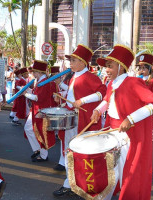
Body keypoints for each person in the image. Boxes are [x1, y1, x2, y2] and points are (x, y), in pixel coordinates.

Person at [90, 44, 153, 200]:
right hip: (112, 132)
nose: (106, 69)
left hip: (128, 137)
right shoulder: (111, 83)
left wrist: (130, 119)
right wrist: (97, 110)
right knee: (110, 170)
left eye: (110, 66)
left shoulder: (133, 82)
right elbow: (107, 100)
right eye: (106, 66)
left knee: (124, 172)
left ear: (121, 67)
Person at [53, 44, 106, 198]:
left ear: (83, 62)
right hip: (71, 118)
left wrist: (82, 101)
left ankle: (80, 186)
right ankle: (69, 184)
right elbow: (71, 97)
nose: (71, 62)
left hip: (83, 120)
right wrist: (61, 98)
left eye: (74, 60)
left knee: (81, 153)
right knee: (70, 152)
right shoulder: (73, 77)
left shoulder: (91, 77)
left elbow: (102, 93)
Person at [24, 60, 58, 162]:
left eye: (34, 72)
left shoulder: (44, 83)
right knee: (28, 129)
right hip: (36, 109)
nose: (33, 74)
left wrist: (25, 94)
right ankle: (37, 150)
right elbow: (35, 94)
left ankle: (43, 155)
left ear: (38, 72)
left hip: (41, 111)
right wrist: (26, 91)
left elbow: (37, 98)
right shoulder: (40, 82)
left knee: (41, 132)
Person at [137, 53, 153, 124]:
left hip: (148, 109)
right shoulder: (138, 80)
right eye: (140, 68)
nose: (141, 70)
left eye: (144, 68)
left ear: (149, 69)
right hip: (138, 108)